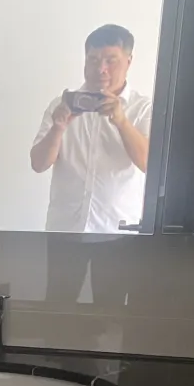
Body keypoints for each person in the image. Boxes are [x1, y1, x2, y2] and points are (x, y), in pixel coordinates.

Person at [30, 24, 153, 233]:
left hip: (117, 232)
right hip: (64, 229)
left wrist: (122, 123)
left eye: (110, 61)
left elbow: (150, 165)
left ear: (129, 61)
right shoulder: (61, 105)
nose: (101, 69)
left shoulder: (144, 109)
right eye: (93, 60)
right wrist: (58, 129)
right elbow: (38, 164)